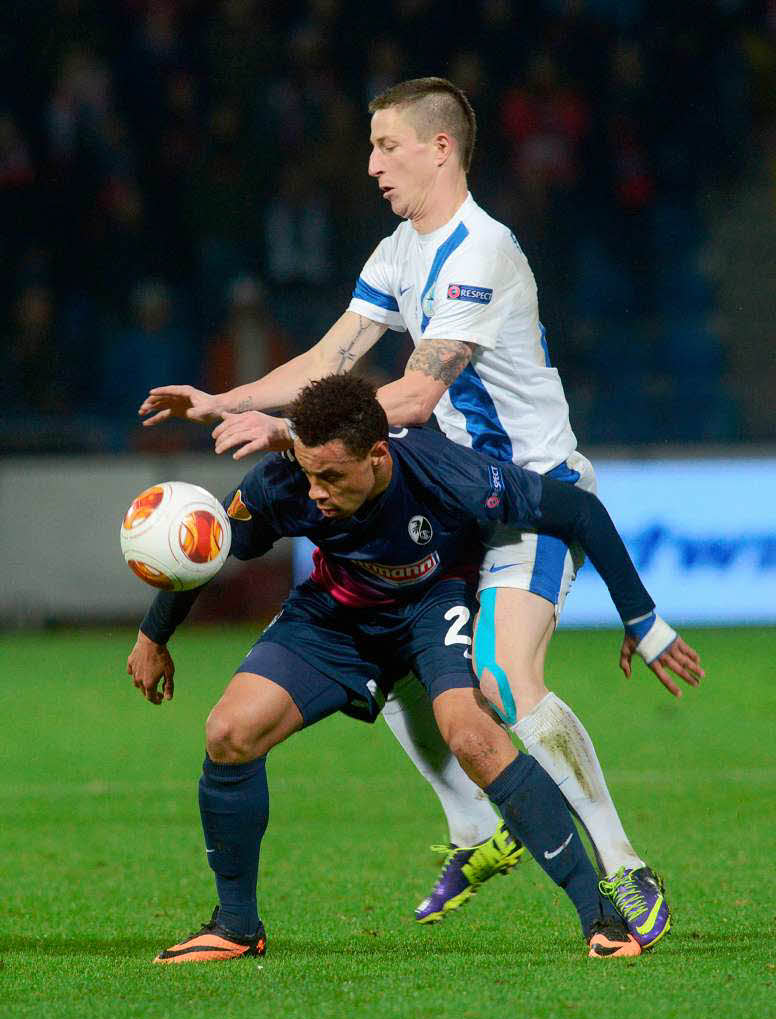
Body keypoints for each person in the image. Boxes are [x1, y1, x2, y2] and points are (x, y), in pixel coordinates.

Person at [138, 77, 695, 948]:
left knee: (504, 680)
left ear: (441, 148)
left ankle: (622, 865)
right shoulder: (401, 250)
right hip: (453, 492)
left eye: (386, 147)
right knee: (399, 635)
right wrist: (226, 399)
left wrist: (288, 431)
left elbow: (410, 392)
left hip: (527, 492)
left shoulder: (481, 252)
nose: (371, 165)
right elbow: (333, 355)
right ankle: (479, 824)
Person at [128, 376, 702, 963]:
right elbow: (204, 548)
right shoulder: (282, 482)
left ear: (378, 455)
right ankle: (236, 927)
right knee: (229, 733)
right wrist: (154, 634)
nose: (316, 491)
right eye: (308, 473)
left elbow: (578, 511)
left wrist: (640, 618)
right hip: (336, 613)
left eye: (331, 476)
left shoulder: (445, 472)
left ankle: (600, 917)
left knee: (475, 738)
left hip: (433, 609)